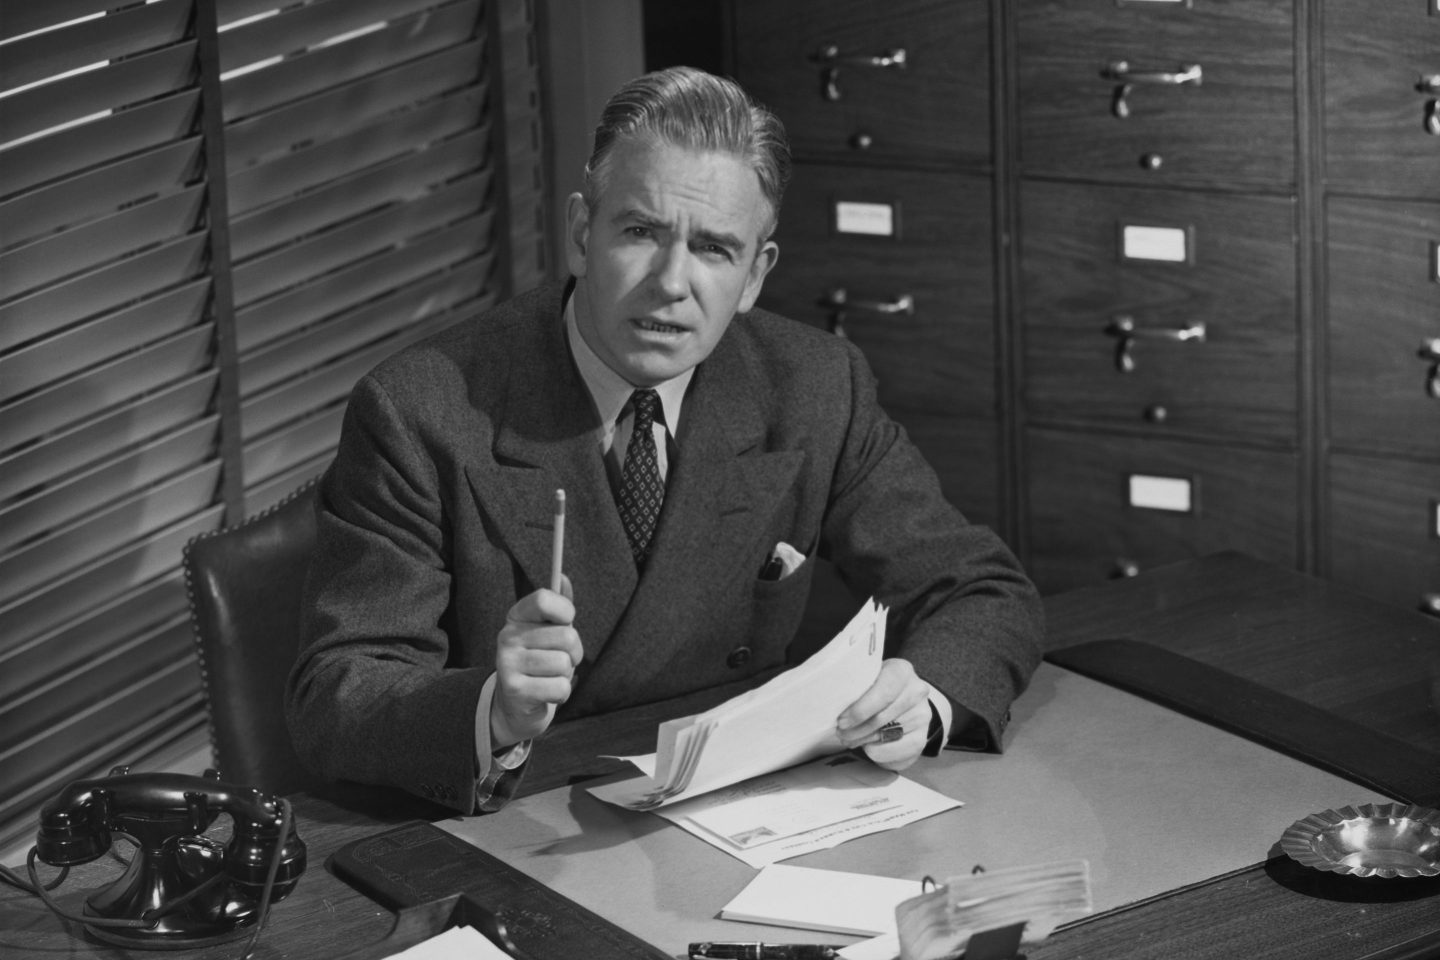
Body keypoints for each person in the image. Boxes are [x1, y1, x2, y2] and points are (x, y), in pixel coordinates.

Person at [286, 66, 1043, 814]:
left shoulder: (816, 385)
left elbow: (980, 589)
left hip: (738, 806)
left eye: (714, 249)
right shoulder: (420, 407)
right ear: (582, 234)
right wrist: (492, 709)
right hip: (518, 813)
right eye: (641, 232)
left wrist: (925, 699)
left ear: (754, 276)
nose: (671, 283)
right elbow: (336, 693)